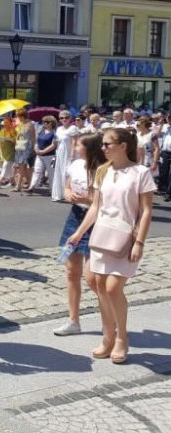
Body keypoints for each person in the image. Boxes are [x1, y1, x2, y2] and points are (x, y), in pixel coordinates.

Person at [66, 128, 155, 364]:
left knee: (114, 287)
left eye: (107, 144)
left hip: (126, 238)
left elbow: (146, 211)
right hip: (102, 235)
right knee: (99, 285)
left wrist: (140, 242)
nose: (103, 148)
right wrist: (78, 232)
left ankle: (121, 338)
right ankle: (108, 337)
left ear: (123, 145)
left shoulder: (141, 173)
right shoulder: (103, 171)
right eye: (103, 144)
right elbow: (96, 207)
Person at [53, 134, 105, 336]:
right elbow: (67, 186)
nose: (75, 147)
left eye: (79, 145)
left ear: (90, 148)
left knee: (93, 278)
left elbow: (102, 201)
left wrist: (88, 199)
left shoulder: (102, 169)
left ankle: (110, 319)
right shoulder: (75, 165)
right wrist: (68, 194)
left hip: (97, 219)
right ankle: (73, 321)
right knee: (71, 273)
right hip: (76, 214)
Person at [52, 111, 80, 202]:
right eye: (61, 118)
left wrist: (72, 155)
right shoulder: (59, 129)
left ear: (70, 118)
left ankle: (69, 195)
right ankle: (59, 195)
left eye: (66, 117)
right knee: (59, 173)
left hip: (68, 153)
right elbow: (56, 142)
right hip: (60, 152)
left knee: (67, 173)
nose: (64, 119)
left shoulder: (73, 128)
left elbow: (74, 142)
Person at [27, 116, 57, 193]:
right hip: (39, 156)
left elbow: (54, 145)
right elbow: (36, 141)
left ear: (52, 123)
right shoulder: (41, 131)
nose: (45, 123)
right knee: (37, 170)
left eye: (47, 122)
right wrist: (36, 148)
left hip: (52, 156)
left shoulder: (54, 132)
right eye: (44, 122)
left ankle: (53, 189)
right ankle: (32, 186)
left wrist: (43, 151)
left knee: (52, 173)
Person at [13, 108, 36, 192]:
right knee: (24, 168)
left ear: (22, 116)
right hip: (19, 147)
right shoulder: (20, 124)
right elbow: (18, 136)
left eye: (18, 115)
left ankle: (18, 186)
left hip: (27, 147)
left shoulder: (30, 124)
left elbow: (33, 137)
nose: (17, 117)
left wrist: (33, 148)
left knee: (21, 166)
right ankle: (30, 184)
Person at [0, 116, 16, 188]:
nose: (5, 124)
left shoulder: (13, 131)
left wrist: (9, 140)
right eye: (4, 122)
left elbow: (15, 142)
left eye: (7, 122)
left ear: (10, 123)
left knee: (5, 166)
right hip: (3, 152)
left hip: (11, 152)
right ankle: (13, 182)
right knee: (9, 169)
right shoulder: (2, 131)